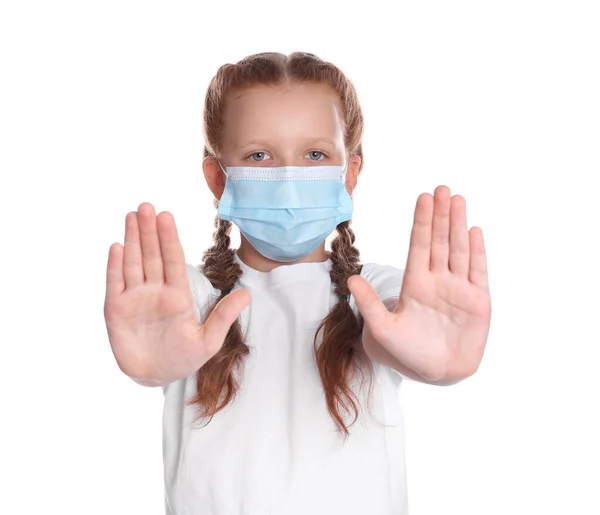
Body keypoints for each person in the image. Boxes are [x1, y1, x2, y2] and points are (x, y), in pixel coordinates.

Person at [104, 51, 492, 515]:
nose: (289, 178)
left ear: (349, 172)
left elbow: (399, 336)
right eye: (259, 155)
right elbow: (161, 338)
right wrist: (151, 366)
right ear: (217, 176)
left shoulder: (374, 293)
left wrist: (437, 361)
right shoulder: (191, 301)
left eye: (314, 154)